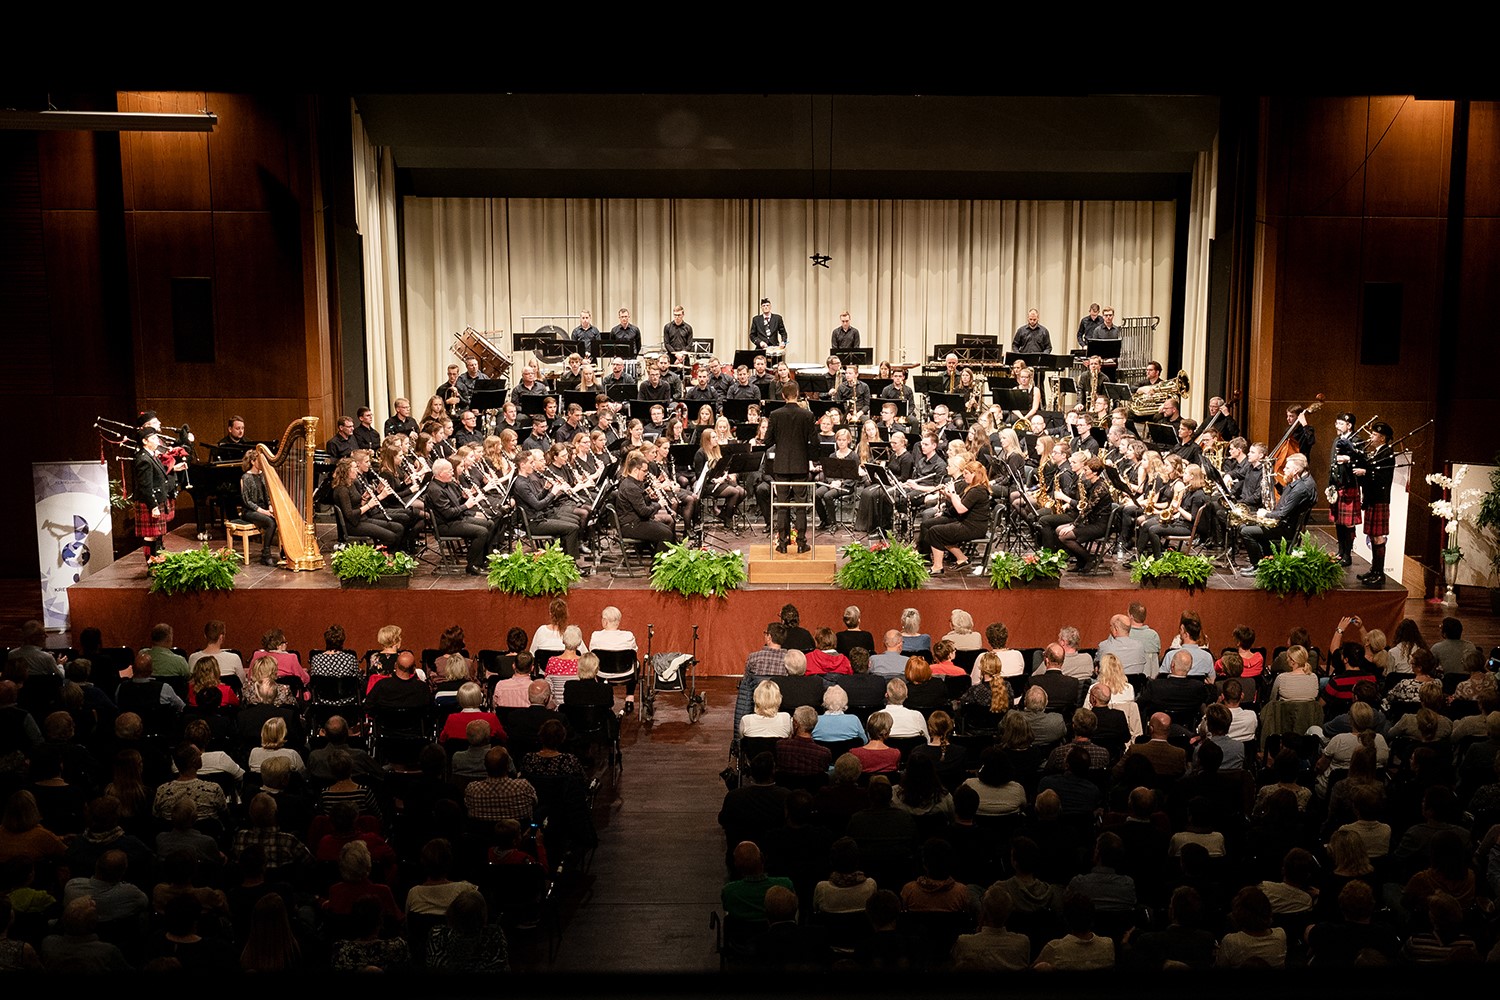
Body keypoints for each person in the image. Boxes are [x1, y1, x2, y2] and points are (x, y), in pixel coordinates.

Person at [765, 380, 819, 553]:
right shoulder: (807, 415)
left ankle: (782, 543)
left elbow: (768, 441)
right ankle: (801, 543)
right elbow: (814, 442)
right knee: (801, 505)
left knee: (782, 505)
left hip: (781, 465)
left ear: (782, 395)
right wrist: (812, 459)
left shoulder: (775, 415)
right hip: (800, 465)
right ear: (797, 394)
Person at [923, 459, 991, 574]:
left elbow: (960, 509)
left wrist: (953, 492)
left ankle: (937, 567)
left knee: (935, 532)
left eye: (966, 474)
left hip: (973, 528)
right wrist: (948, 495)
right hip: (970, 524)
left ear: (974, 474)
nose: (964, 477)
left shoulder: (977, 491)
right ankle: (962, 559)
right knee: (940, 530)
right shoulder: (974, 488)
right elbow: (960, 502)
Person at [1354, 421, 1395, 587]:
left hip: (1379, 499)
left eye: (1374, 435)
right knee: (1372, 534)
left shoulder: (1387, 453)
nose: (1371, 436)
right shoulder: (1377, 452)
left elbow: (1381, 477)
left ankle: (1380, 573)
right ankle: (1374, 569)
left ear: (1382, 438)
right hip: (1372, 498)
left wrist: (1366, 471)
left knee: (1378, 537)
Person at [133, 425, 181, 557]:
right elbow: (145, 486)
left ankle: (156, 562)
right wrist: (153, 506)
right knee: (150, 536)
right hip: (149, 502)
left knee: (156, 535)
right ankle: (151, 564)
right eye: (153, 438)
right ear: (145, 441)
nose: (157, 440)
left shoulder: (151, 456)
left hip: (158, 499)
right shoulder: (143, 459)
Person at [237, 450, 280, 566]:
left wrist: (270, 506)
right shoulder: (246, 477)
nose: (262, 462)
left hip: (263, 509)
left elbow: (268, 494)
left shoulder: (262, 475)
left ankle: (283, 552)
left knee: (278, 519)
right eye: (259, 460)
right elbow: (247, 501)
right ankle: (266, 554)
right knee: (271, 522)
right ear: (252, 461)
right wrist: (264, 512)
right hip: (250, 511)